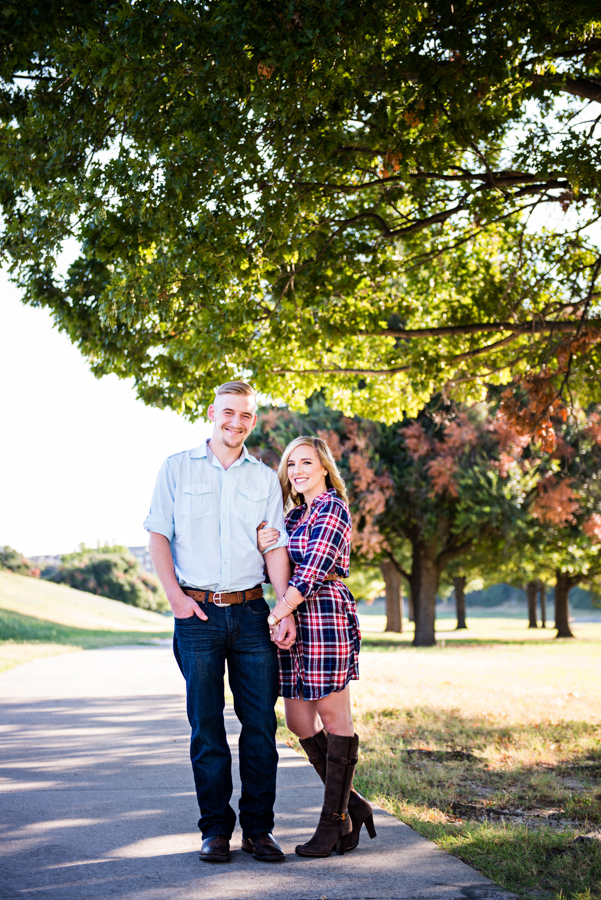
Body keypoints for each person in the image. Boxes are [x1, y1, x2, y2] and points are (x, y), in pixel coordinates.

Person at [144, 381, 296, 864]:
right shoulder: (175, 467)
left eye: (246, 416)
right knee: (206, 727)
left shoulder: (266, 479)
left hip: (253, 613)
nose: (236, 423)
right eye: (228, 412)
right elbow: (158, 535)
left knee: (259, 727)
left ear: (254, 419)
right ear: (212, 412)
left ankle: (259, 829)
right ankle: (215, 830)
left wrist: (281, 609)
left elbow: (274, 547)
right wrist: (176, 599)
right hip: (198, 614)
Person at [257, 436, 376, 858]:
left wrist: (277, 613)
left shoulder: (333, 508)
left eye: (306, 462)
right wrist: (266, 542)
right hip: (295, 620)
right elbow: (277, 564)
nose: (297, 470)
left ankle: (333, 824)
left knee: (333, 716)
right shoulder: (292, 516)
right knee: (298, 721)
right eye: (291, 464)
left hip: (324, 613)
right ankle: (354, 806)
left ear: (324, 466)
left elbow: (311, 572)